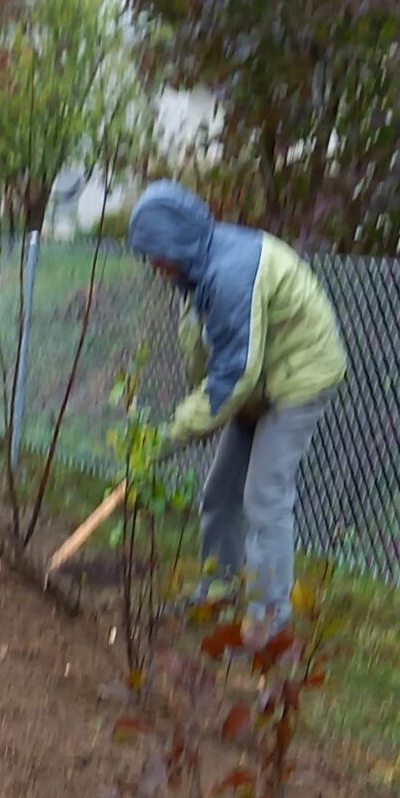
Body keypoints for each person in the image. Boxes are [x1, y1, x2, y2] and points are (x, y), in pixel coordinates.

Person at [126, 181, 346, 626]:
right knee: (221, 493)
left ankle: (269, 621)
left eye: (156, 254)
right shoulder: (198, 270)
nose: (154, 266)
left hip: (297, 378)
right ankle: (219, 591)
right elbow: (212, 359)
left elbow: (233, 372)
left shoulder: (230, 273)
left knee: (265, 497)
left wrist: (176, 433)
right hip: (258, 380)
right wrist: (198, 417)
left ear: (175, 243)